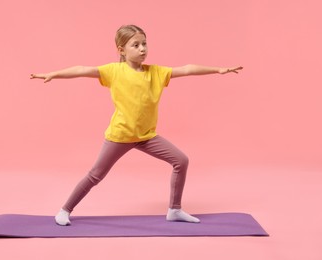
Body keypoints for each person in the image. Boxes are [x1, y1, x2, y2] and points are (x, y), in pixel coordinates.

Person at [31, 24, 242, 226]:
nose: (142, 49)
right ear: (121, 50)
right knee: (96, 175)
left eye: (144, 44)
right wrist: (53, 74)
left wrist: (219, 70)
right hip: (120, 136)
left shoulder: (156, 72)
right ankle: (65, 210)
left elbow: (187, 69)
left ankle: (174, 210)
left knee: (181, 160)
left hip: (146, 136)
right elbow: (82, 69)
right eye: (136, 45)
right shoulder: (113, 71)